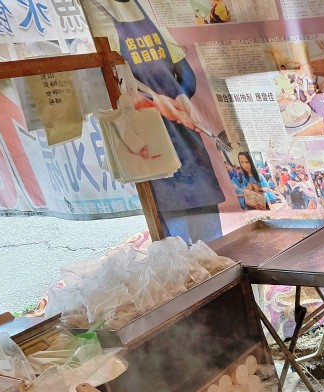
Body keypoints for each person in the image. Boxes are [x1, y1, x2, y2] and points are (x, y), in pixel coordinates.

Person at [83, 0, 225, 242]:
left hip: (187, 138)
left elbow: (185, 74)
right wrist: (154, 101)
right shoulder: (95, 15)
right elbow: (111, 85)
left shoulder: (148, 8)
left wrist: (181, 95)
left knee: (214, 243)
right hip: (150, 142)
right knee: (176, 242)